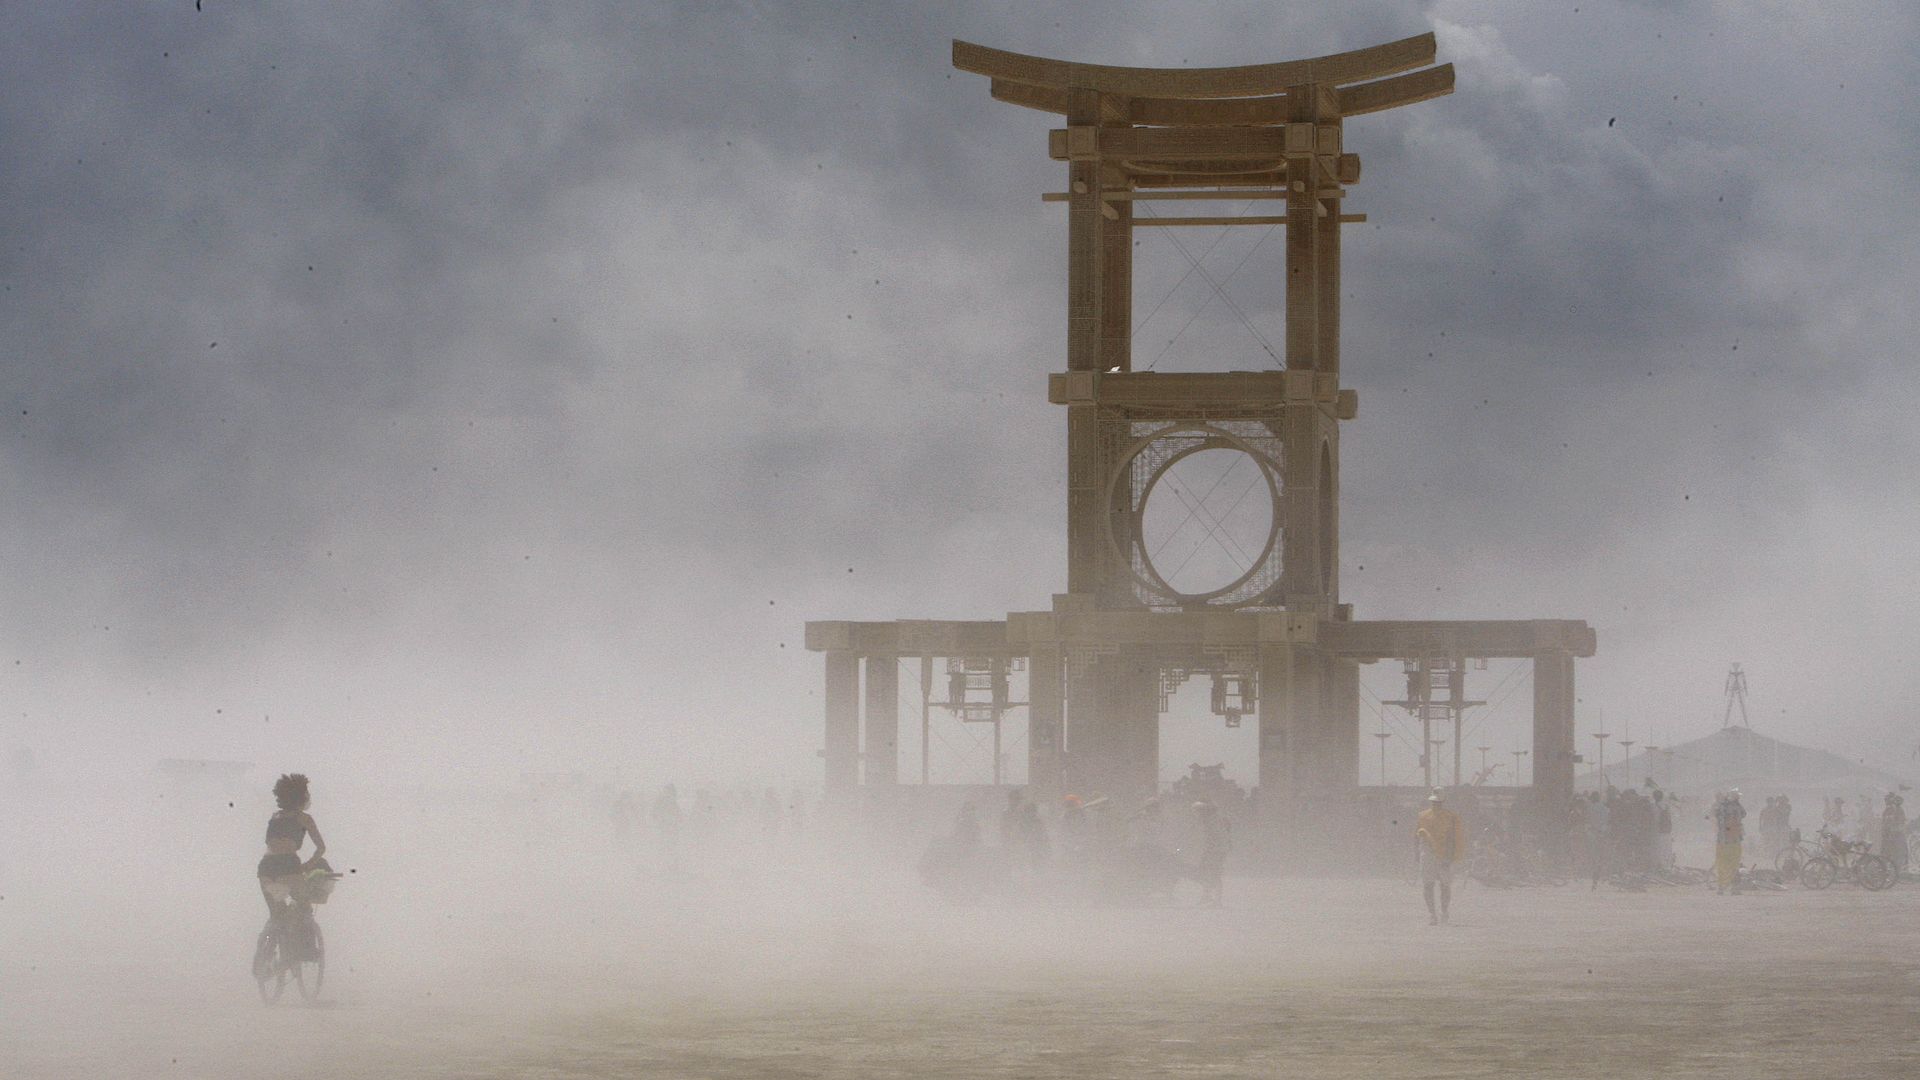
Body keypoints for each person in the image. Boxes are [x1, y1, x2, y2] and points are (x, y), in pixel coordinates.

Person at [258, 773, 327, 920]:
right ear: (301, 798)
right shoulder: (304, 818)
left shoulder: (274, 817)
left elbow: (270, 843)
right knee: (304, 907)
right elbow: (321, 848)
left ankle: (270, 938)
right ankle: (301, 937)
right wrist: (308, 865)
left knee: (276, 916)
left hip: (266, 868)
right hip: (288, 866)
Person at [1415, 791, 1465, 925]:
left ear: (1442, 803)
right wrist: (1417, 854)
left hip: (1444, 854)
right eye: (1433, 802)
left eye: (1438, 802)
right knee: (1428, 884)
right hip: (1427, 853)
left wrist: (1450, 857)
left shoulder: (1450, 817)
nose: (1435, 804)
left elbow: (1453, 838)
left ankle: (1444, 911)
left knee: (1445, 885)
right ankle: (1432, 914)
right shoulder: (1422, 816)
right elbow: (1417, 835)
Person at [1191, 801, 1230, 907]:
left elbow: (1213, 838)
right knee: (1208, 872)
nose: (1196, 815)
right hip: (1218, 850)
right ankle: (1207, 896)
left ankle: (1216, 900)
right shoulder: (1216, 819)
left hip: (1216, 850)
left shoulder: (1211, 821)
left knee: (1214, 873)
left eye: (1198, 812)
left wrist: (1207, 851)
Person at [1711, 789, 1746, 894]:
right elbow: (1744, 814)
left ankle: (1721, 887)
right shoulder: (1737, 807)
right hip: (1734, 840)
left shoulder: (1720, 807)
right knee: (1734, 864)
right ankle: (1734, 888)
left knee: (1721, 863)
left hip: (1721, 840)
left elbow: (1714, 815)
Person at [1583, 790, 1609, 890]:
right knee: (1601, 855)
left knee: (1592, 855)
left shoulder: (1589, 808)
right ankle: (1599, 873)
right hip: (1602, 834)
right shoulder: (1605, 809)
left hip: (1591, 834)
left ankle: (1593, 874)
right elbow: (1606, 821)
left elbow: (1586, 820)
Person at [1881, 793, 1909, 875]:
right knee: (1890, 852)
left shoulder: (1898, 810)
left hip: (1895, 835)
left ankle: (1896, 870)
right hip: (1890, 834)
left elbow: (1900, 822)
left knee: (1896, 852)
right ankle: (1889, 868)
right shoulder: (1890, 810)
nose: (1888, 801)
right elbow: (1886, 822)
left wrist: (1892, 828)